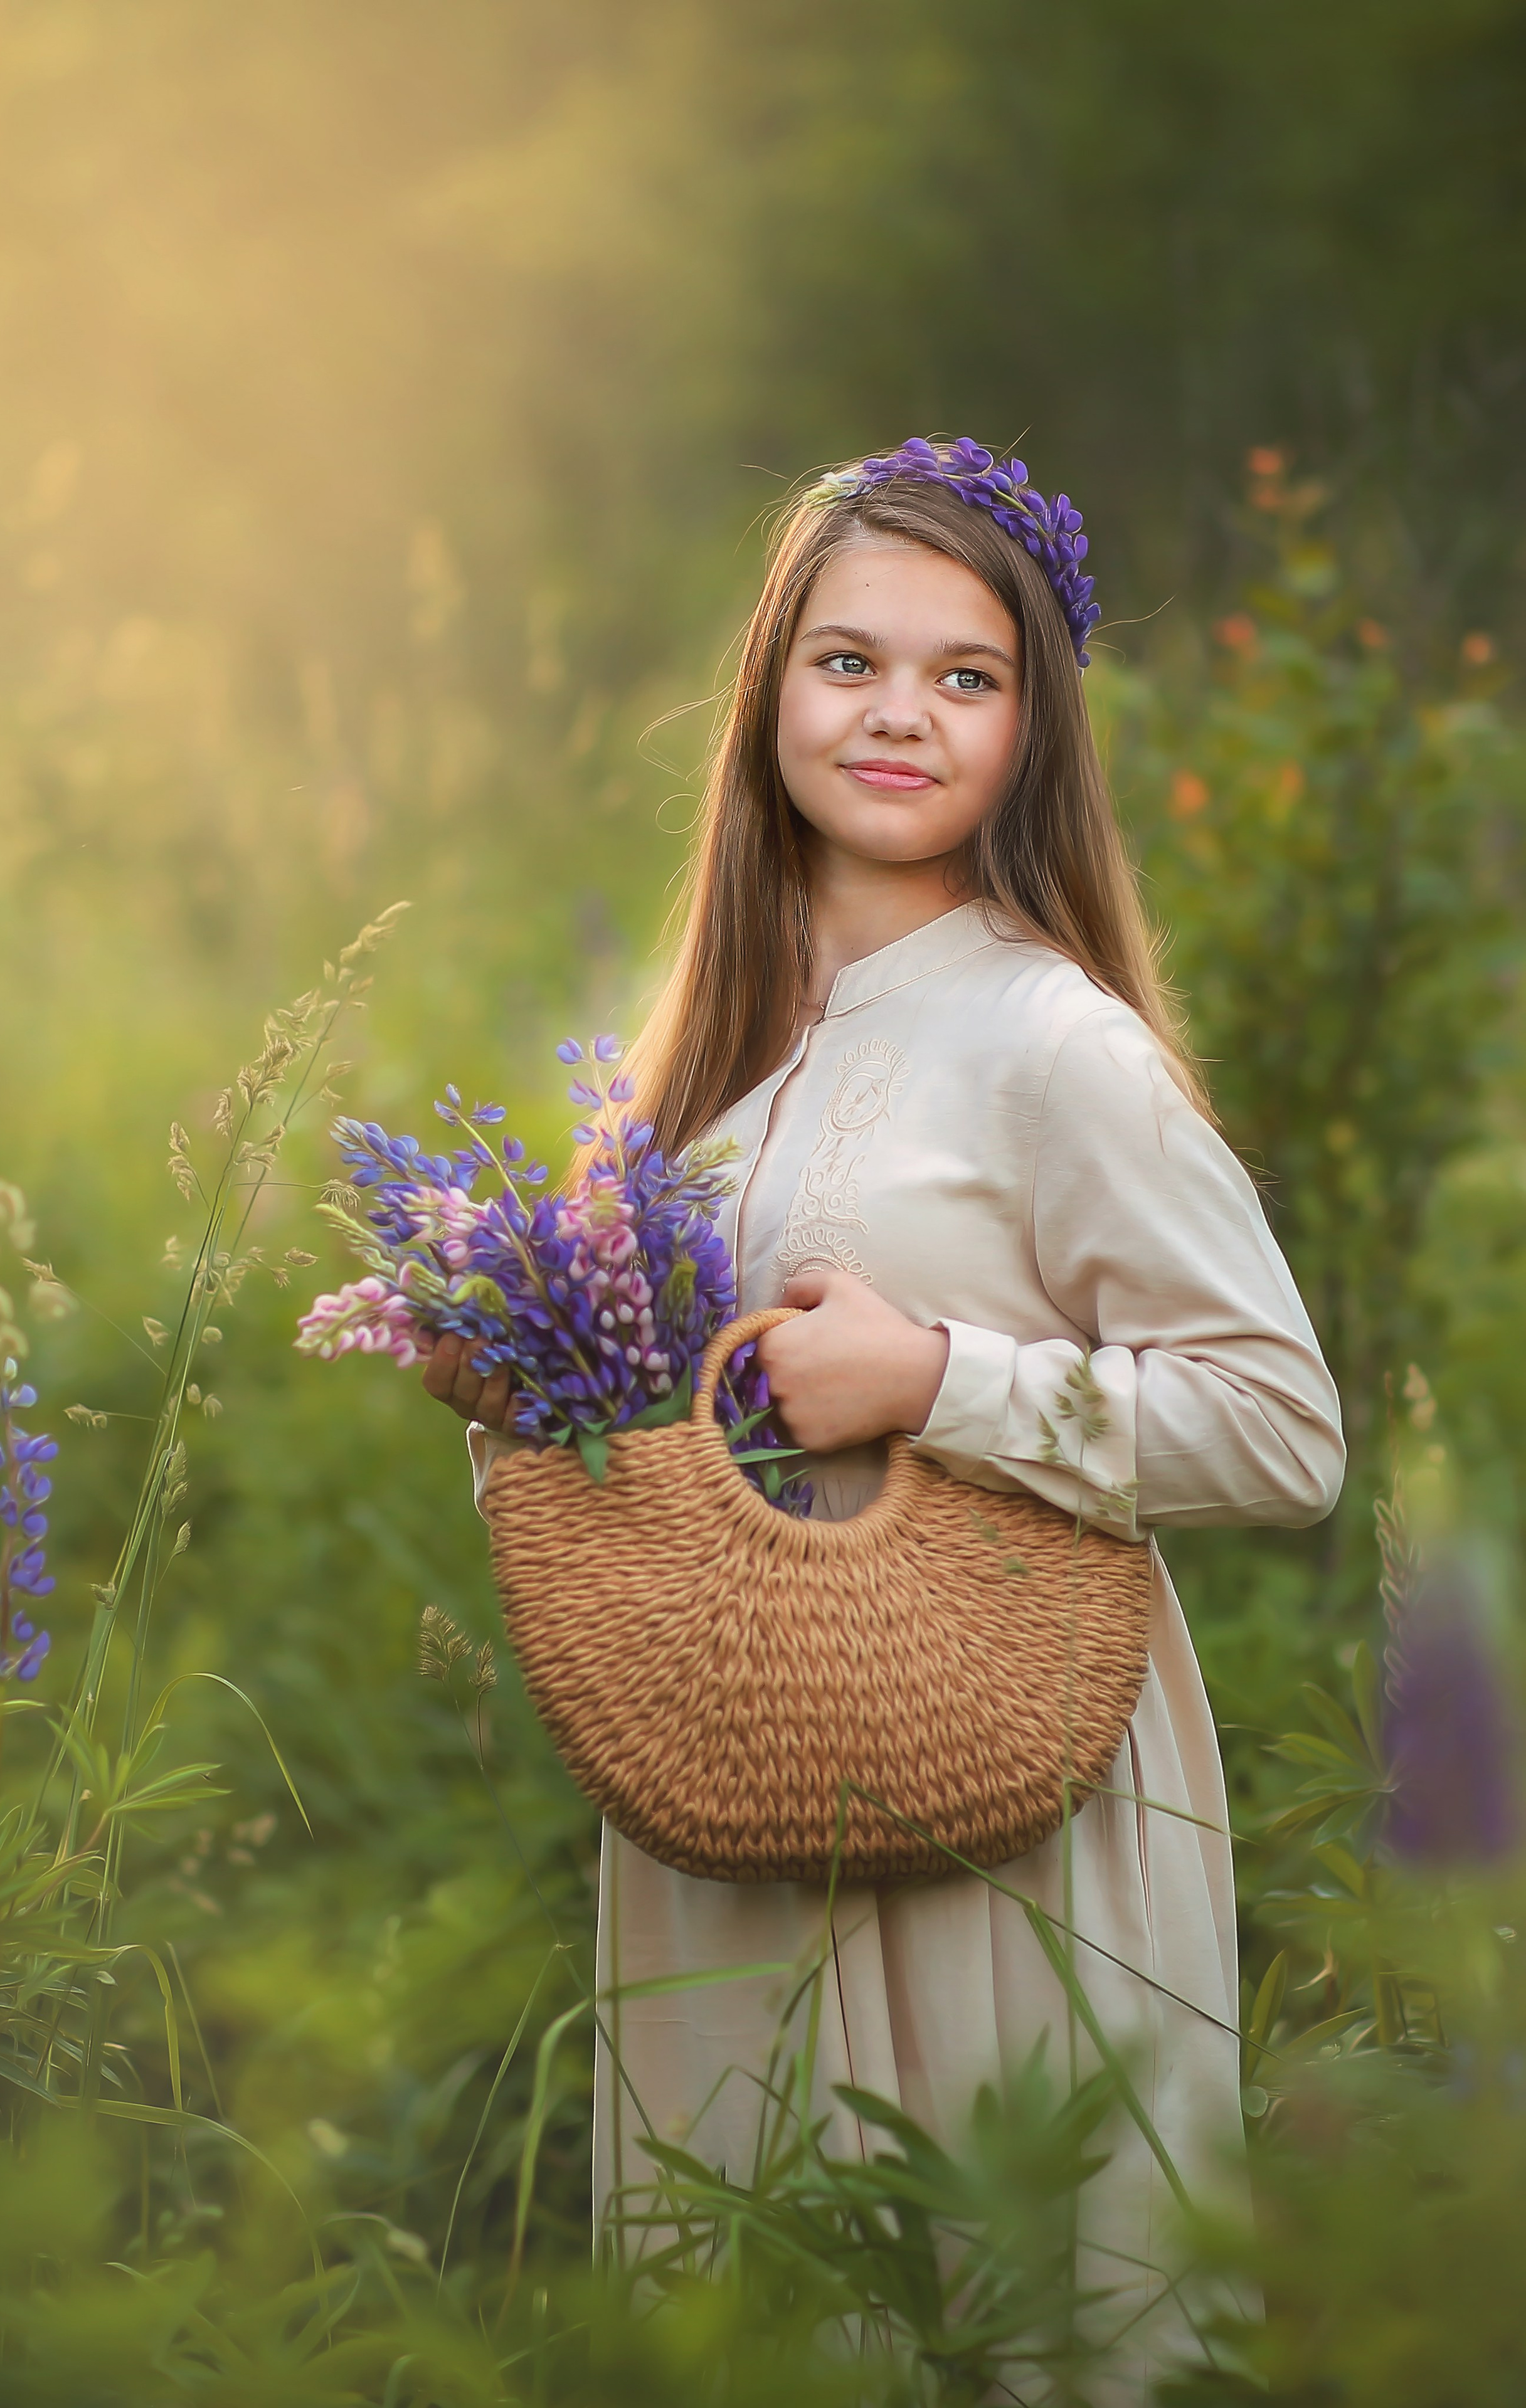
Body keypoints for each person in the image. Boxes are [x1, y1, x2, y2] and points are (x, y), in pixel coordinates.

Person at [423, 438, 1345, 2392]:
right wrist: (541, 1384)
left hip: (998, 1780)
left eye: (968, 673)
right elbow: (685, 1417)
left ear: (1036, 729)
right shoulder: (705, 1055)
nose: (901, 714)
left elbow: (1282, 1428)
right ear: (767, 691)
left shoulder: (1051, 1041)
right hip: (737, 1781)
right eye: (850, 661)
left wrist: (938, 1379)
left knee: (986, 2307)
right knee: (762, 2302)